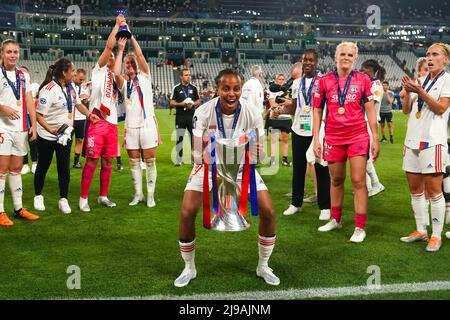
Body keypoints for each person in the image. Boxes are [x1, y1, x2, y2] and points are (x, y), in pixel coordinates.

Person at [174, 69, 279, 288]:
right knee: (186, 212)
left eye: (236, 89)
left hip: (242, 167)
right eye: (226, 89)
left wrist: (255, 149)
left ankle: (263, 265)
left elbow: (259, 155)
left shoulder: (252, 112)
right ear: (217, 90)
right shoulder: (203, 112)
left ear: (241, 89)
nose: (231, 94)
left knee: (268, 211)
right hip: (209, 166)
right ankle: (189, 267)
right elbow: (196, 154)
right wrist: (220, 151)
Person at [313, 42, 379, 243]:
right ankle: (336, 219)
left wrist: (375, 137)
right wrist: (316, 138)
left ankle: (360, 227)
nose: (346, 57)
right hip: (333, 136)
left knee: (358, 180)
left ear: (355, 58)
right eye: (342, 53)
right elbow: (317, 111)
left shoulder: (363, 80)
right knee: (336, 180)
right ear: (335, 56)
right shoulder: (324, 81)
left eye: (350, 54)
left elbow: (370, 110)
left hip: (358, 135)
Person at [399, 43, 450, 251]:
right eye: (428, 54)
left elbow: (441, 108)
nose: (429, 58)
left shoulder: (447, 80)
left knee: (434, 190)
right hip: (412, 139)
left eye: (435, 54)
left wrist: (419, 91)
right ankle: (421, 230)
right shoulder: (420, 80)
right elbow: (406, 110)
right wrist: (409, 92)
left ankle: (436, 235)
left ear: (445, 59)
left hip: (433, 141)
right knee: (415, 190)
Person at [33, 59, 99, 214]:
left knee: (64, 168)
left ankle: (63, 199)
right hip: (47, 136)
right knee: (43, 166)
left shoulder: (71, 88)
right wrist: (50, 130)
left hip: (65, 135)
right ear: (64, 72)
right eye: (72, 70)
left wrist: (89, 114)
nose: (74, 73)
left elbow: (78, 104)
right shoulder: (49, 89)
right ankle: (38, 195)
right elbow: (38, 114)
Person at [277, 52, 332, 221]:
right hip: (299, 129)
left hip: (317, 130)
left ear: (316, 62)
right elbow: (294, 108)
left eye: (311, 60)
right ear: (302, 62)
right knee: (299, 169)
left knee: (321, 167)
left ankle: (325, 206)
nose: (308, 63)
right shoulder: (296, 83)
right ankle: (296, 203)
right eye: (305, 60)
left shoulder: (324, 81)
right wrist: (280, 112)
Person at [79, 15, 124, 212]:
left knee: (108, 161)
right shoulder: (97, 71)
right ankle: (83, 198)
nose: (111, 58)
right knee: (92, 160)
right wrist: (116, 26)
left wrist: (121, 52)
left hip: (112, 124)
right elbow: (108, 48)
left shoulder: (115, 78)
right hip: (98, 121)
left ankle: (103, 196)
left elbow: (120, 75)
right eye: (110, 57)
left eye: (114, 58)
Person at [114, 36, 159, 208]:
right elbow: (116, 72)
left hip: (147, 125)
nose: (130, 65)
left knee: (149, 162)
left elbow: (139, 55)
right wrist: (120, 50)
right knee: (133, 163)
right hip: (131, 127)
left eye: (133, 63)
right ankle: (138, 194)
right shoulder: (124, 83)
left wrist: (131, 37)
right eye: (128, 63)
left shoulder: (146, 76)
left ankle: (150, 195)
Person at [0, 39, 40, 226]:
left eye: (15, 52)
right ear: (2, 53)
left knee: (16, 169)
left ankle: (18, 209)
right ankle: (0, 211)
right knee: (1, 170)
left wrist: (34, 124)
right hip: (3, 128)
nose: (13, 55)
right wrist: (3, 108)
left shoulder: (24, 76)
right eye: (9, 52)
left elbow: (29, 100)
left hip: (21, 129)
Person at [360, 59, 386, 198]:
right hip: (362, 122)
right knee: (361, 155)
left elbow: (370, 103)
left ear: (370, 70)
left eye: (363, 70)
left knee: (365, 157)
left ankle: (377, 184)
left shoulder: (376, 85)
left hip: (369, 123)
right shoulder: (369, 83)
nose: (361, 72)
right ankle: (368, 187)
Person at [170, 68, 200, 166]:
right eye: (186, 75)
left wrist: (192, 103)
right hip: (180, 116)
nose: (188, 76)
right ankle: (178, 160)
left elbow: (198, 101)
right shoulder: (176, 88)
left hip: (191, 116)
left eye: (189, 75)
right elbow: (171, 102)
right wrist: (182, 104)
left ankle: (194, 159)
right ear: (181, 77)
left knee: (193, 138)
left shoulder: (194, 88)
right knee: (180, 138)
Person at [266, 73, 292, 167]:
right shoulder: (272, 90)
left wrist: (284, 105)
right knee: (274, 140)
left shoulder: (287, 90)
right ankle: (273, 159)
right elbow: (273, 104)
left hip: (286, 118)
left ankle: (284, 159)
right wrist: (284, 105)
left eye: (282, 79)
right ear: (276, 80)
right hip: (276, 118)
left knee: (285, 139)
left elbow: (291, 103)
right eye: (279, 79)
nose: (281, 81)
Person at [18, 65, 39, 175]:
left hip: (30, 115)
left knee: (33, 140)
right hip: (19, 116)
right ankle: (24, 164)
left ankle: (35, 163)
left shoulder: (34, 86)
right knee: (22, 142)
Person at [72, 68, 89, 169]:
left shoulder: (83, 88)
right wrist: (78, 96)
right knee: (67, 141)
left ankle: (76, 162)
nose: (81, 81)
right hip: (71, 118)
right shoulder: (70, 87)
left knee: (80, 140)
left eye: (83, 80)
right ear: (75, 76)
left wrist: (86, 100)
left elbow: (85, 105)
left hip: (81, 118)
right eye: (80, 79)